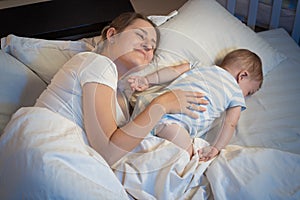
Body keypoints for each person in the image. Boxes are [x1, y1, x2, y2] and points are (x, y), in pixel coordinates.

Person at [34, 12, 208, 166]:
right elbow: (108, 151)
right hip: (48, 152)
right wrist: (162, 104)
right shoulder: (96, 62)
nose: (148, 47)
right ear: (112, 35)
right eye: (140, 36)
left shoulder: (123, 96)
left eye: (153, 48)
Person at [128, 49, 263, 161]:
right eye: (249, 91)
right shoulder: (235, 91)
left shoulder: (201, 67)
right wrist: (216, 148)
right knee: (188, 157)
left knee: (133, 140)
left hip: (150, 106)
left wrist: (147, 80)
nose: (246, 96)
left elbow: (173, 71)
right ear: (242, 76)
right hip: (174, 124)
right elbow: (230, 123)